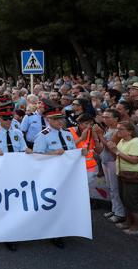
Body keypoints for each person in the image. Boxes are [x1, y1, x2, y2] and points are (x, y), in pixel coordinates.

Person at [33, 105, 87, 248]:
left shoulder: (67, 134)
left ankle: (66, 227)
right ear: (48, 120)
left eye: (61, 119)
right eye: (56, 120)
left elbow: (72, 152)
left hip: (67, 175)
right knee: (53, 204)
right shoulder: (43, 136)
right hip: (51, 176)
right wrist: (51, 154)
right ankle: (54, 233)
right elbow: (36, 157)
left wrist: (81, 153)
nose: (60, 122)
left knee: (65, 202)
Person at [0, 106, 31, 252]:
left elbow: (22, 147)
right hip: (1, 173)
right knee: (3, 202)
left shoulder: (17, 133)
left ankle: (14, 231)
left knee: (16, 201)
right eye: (5, 119)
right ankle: (4, 232)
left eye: (10, 118)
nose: (9, 121)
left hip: (16, 172)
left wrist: (27, 150)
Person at [106, 121, 138, 236]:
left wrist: (116, 151)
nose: (118, 131)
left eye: (121, 129)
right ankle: (128, 222)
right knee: (125, 200)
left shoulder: (137, 142)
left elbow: (135, 160)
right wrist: (113, 150)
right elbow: (117, 155)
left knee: (131, 202)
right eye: (117, 129)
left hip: (134, 176)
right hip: (123, 174)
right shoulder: (122, 140)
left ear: (130, 131)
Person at [95, 109, 126, 223]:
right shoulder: (108, 128)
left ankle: (120, 213)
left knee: (115, 187)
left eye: (107, 117)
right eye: (103, 117)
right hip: (105, 159)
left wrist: (99, 134)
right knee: (110, 187)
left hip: (113, 161)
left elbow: (109, 146)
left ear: (116, 118)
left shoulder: (118, 130)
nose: (104, 119)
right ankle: (115, 209)